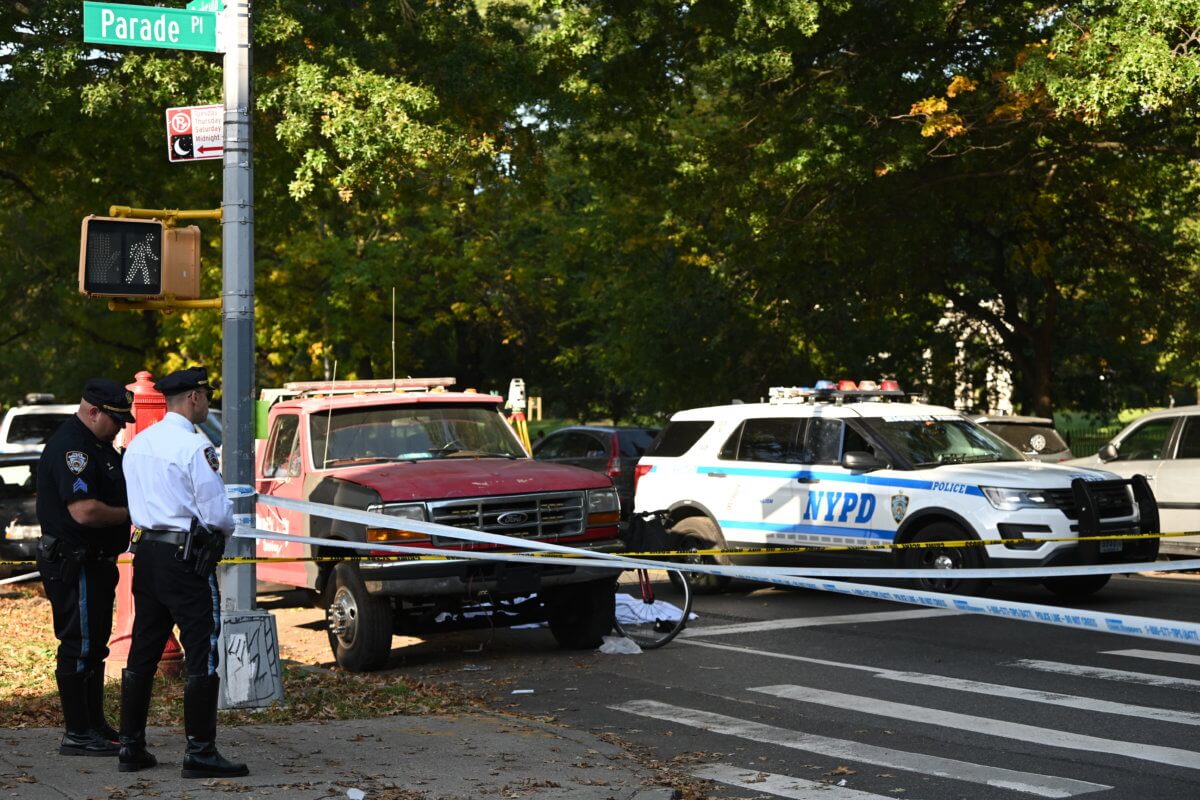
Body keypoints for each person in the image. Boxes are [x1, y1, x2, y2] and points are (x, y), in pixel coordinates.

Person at [118, 366, 247, 778]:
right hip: (185, 558)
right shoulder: (195, 446)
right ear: (192, 397)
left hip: (148, 554)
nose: (208, 403)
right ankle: (200, 751)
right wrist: (228, 527)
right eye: (206, 396)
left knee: (144, 649)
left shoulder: (139, 444)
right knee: (202, 649)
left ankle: (130, 747)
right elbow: (215, 510)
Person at [35, 378, 135, 757]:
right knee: (79, 645)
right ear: (93, 411)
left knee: (94, 648)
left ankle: (93, 724)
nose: (121, 426)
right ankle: (77, 732)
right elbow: (84, 510)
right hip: (75, 562)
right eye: (116, 419)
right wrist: (133, 513)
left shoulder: (98, 444)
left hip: (95, 563)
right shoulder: (71, 448)